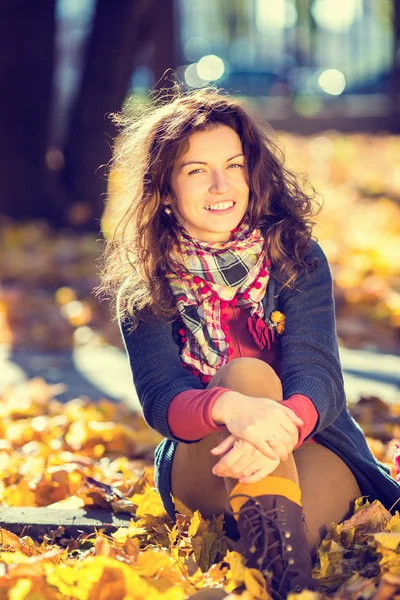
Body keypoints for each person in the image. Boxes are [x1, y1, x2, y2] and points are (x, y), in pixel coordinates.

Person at [97, 86, 400, 599]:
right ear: (165, 189)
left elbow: (318, 379)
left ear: (251, 172)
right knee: (247, 374)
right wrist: (233, 408)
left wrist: (275, 432)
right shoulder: (145, 286)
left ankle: (278, 583)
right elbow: (162, 402)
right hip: (206, 461)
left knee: (290, 542)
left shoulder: (297, 257)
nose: (221, 184)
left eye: (233, 165)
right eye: (196, 170)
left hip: (312, 448)